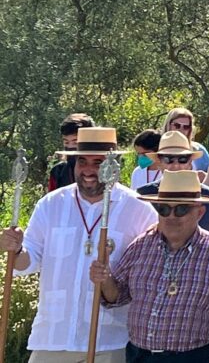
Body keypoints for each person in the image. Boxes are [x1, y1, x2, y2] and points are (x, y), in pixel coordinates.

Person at [0, 127, 157, 363]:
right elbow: (26, 263)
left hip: (109, 341)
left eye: (98, 162)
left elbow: (148, 275)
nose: (88, 170)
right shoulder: (51, 204)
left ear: (113, 165)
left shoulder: (139, 210)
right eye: (82, 161)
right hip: (53, 338)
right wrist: (16, 249)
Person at [90, 170, 209, 363]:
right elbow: (117, 295)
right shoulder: (141, 245)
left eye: (181, 209)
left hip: (191, 358)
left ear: (199, 212)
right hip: (139, 356)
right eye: (163, 209)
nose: (171, 216)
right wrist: (105, 278)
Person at [138, 131, 209, 238]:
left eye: (183, 159)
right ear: (159, 162)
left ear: (190, 162)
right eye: (168, 159)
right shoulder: (141, 196)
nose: (176, 165)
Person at [48, 112, 96, 191]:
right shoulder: (58, 172)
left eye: (75, 142)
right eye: (66, 142)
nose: (70, 147)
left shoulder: (103, 168)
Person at [162, 107, 209, 172]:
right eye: (177, 125)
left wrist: (204, 177)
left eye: (186, 127)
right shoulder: (155, 151)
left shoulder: (199, 151)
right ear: (168, 125)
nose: (181, 130)